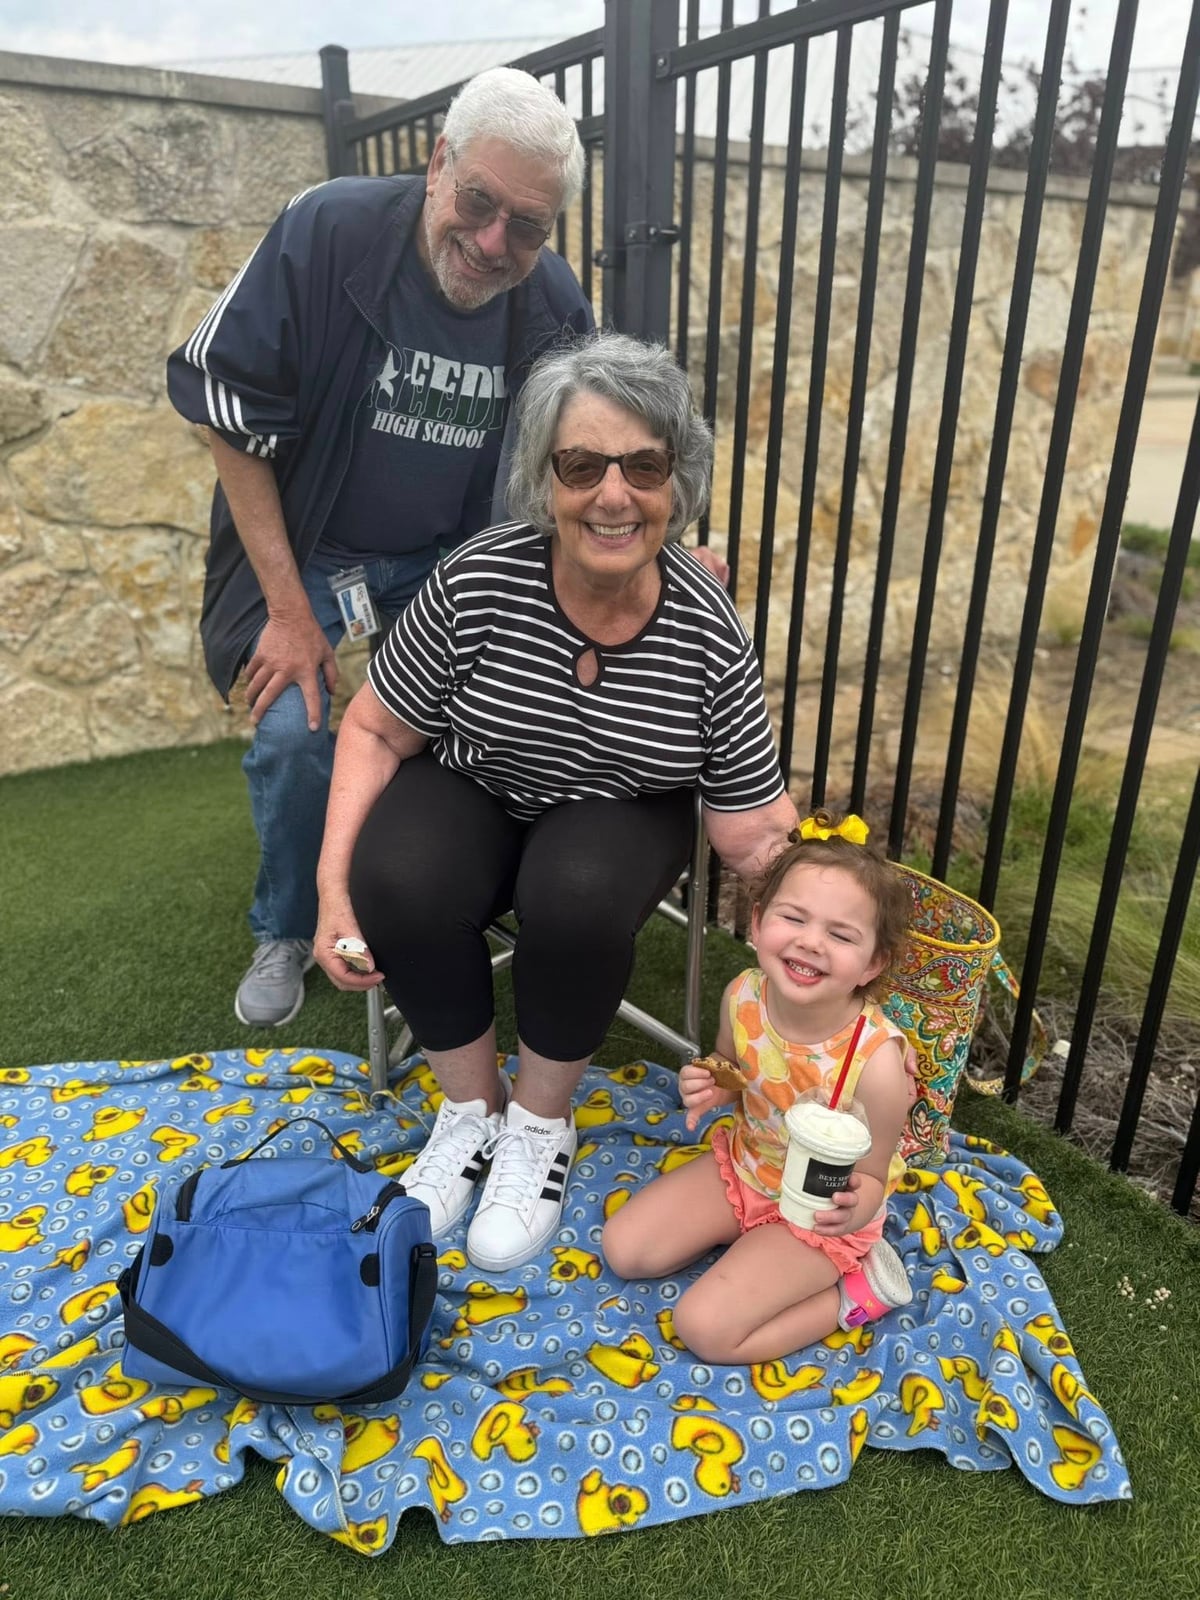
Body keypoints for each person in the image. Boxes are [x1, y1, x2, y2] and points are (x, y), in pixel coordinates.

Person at [314, 332, 799, 1273]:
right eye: (582, 465)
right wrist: (336, 895)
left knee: (574, 891)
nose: (613, 494)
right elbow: (374, 729)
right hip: (482, 779)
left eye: (644, 466)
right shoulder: (480, 579)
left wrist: (841, 933)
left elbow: (753, 827)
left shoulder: (708, 630)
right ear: (545, 480)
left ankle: (538, 1127)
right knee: (398, 874)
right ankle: (469, 1114)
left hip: (623, 806)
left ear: (676, 484)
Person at [166, 68, 594, 1027]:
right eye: (479, 202)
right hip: (317, 549)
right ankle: (283, 925)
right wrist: (285, 610)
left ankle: (423, 901)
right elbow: (228, 415)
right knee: (293, 732)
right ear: (438, 162)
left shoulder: (553, 301)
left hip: (451, 560)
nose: (494, 243)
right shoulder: (328, 230)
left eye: (528, 225)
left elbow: (588, 447)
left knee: (469, 725)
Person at [602, 811, 915, 1364]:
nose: (811, 942)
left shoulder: (878, 1064)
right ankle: (751, 1250)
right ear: (756, 920)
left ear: (874, 963)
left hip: (816, 1212)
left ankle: (855, 1295)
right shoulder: (744, 994)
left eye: (841, 935)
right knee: (624, 1249)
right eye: (793, 917)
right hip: (746, 1166)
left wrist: (854, 1211)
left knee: (704, 1328)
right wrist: (709, 1084)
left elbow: (872, 1177)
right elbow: (732, 1067)